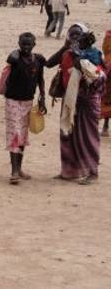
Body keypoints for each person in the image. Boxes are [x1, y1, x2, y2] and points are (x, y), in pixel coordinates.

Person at [46, 24, 104, 185]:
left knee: (87, 136)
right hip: (69, 99)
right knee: (67, 134)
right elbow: (49, 63)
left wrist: (82, 63)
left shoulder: (94, 54)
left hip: (87, 101)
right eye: (72, 35)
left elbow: (99, 77)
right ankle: (69, 170)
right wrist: (65, 47)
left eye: (79, 35)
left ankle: (92, 172)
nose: (75, 39)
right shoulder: (68, 53)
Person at [2, 32, 47, 184]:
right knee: (15, 134)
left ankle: (18, 169)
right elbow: (11, 58)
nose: (26, 47)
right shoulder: (15, 58)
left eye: (29, 44)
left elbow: (41, 79)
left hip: (28, 101)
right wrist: (16, 52)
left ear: (34, 44)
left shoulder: (38, 60)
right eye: (23, 44)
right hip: (13, 101)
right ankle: (14, 171)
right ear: (18, 44)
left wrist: (42, 98)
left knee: (22, 135)